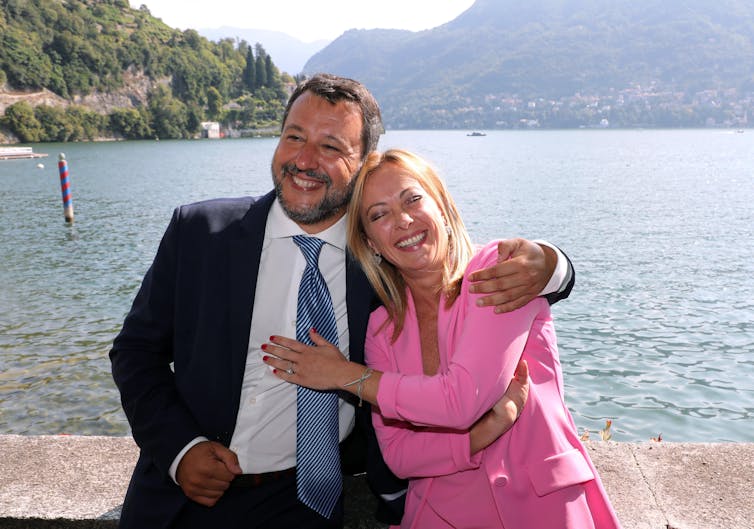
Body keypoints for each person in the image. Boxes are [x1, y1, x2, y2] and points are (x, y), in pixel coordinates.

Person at [110, 74, 574, 529]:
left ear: (364, 163)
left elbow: (465, 273)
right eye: (294, 137)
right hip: (180, 498)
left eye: (331, 147)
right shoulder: (201, 232)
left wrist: (552, 264)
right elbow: (135, 352)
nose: (304, 160)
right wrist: (179, 449)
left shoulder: (383, 260)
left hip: (305, 502)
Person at [262, 149, 619, 528]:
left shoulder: (496, 273)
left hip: (542, 508)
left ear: (443, 208)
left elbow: (462, 399)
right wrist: (485, 432)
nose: (402, 220)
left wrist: (344, 375)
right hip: (439, 513)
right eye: (379, 214)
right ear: (370, 245)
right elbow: (400, 457)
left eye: (412, 199)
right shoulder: (383, 328)